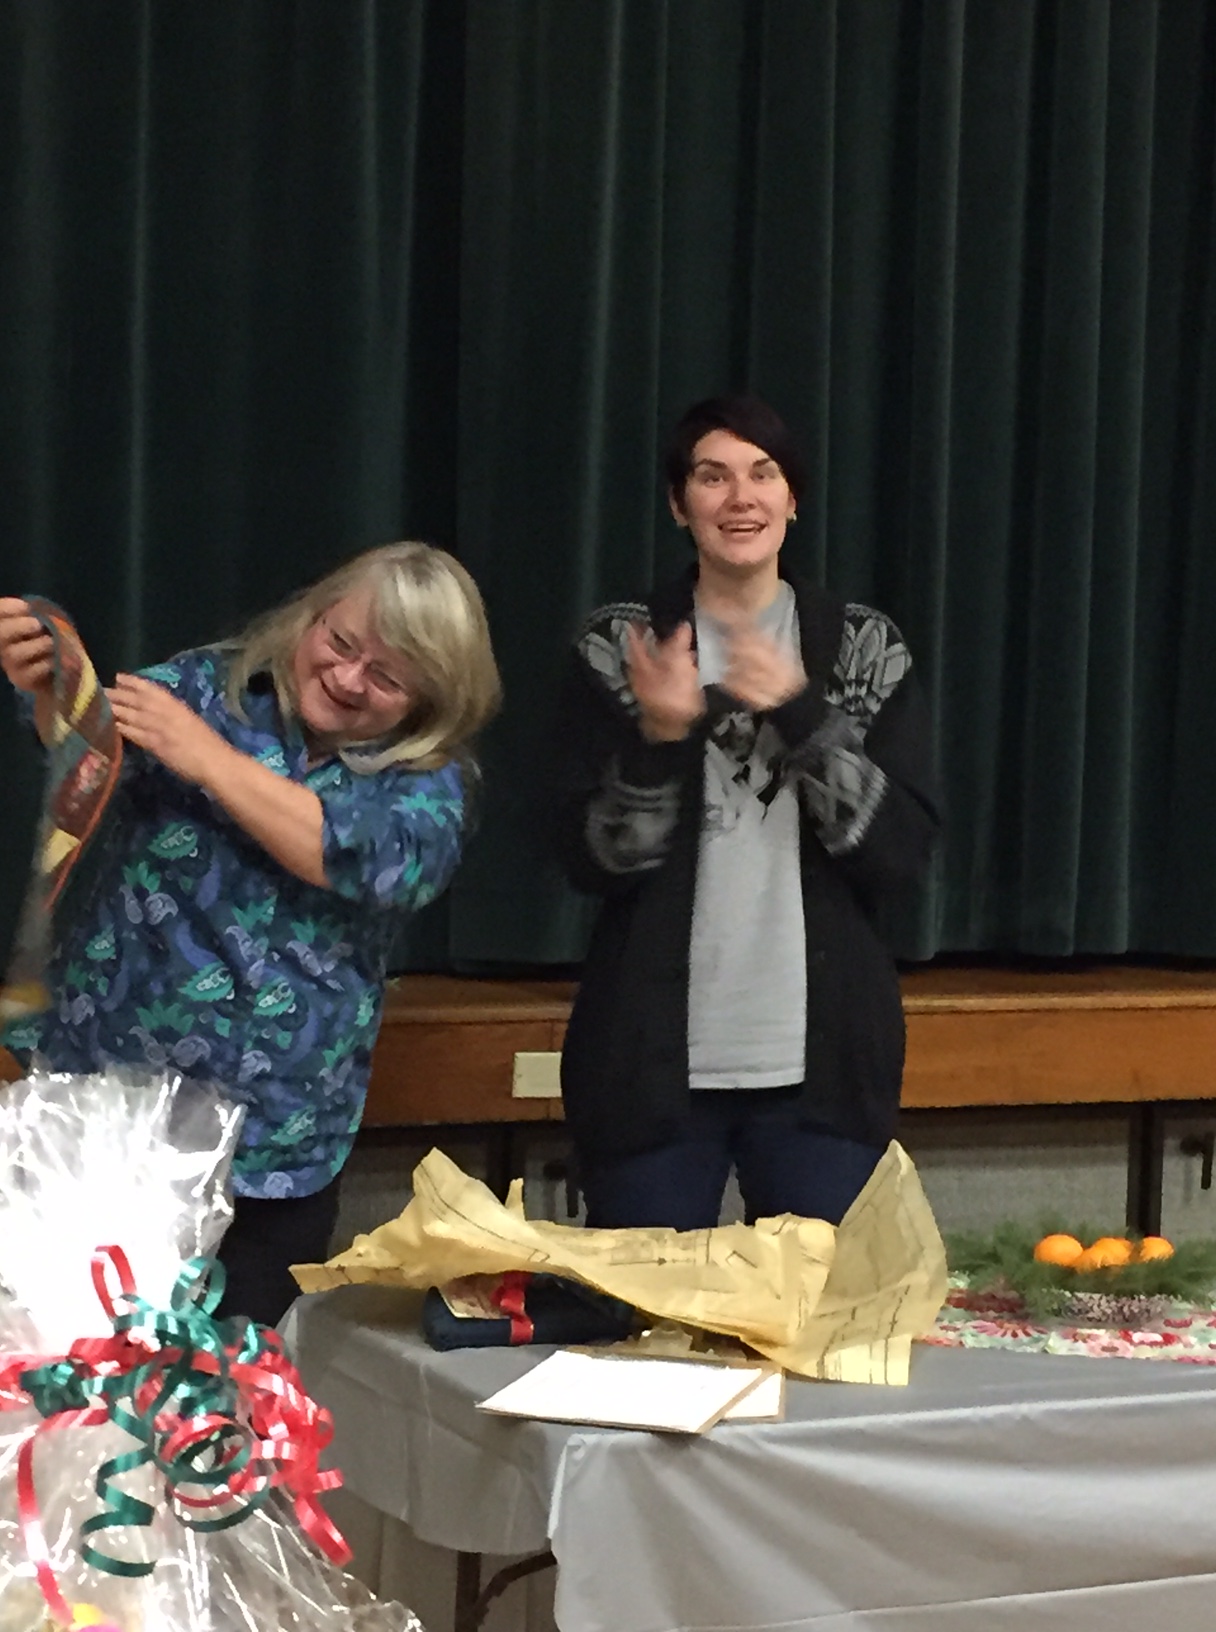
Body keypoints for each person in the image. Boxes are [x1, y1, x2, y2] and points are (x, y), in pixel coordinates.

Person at [0, 542, 501, 1323]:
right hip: (108, 1119)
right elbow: (92, 746)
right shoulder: (208, 687)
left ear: (428, 699)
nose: (347, 678)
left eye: (387, 677)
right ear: (313, 614)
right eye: (340, 642)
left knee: (236, 1377)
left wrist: (208, 761)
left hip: (273, 1152)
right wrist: (46, 679)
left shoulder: (427, 785)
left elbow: (351, 854)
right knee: (71, 1361)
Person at [554, 396, 939, 1231]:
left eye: (763, 475)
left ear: (792, 500)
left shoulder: (864, 647)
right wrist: (659, 740)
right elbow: (592, 862)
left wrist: (801, 714)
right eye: (712, 476)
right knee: (644, 1312)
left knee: (816, 1309)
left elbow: (899, 856)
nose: (740, 497)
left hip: (824, 1073)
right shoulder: (621, 646)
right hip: (648, 1070)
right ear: (678, 504)